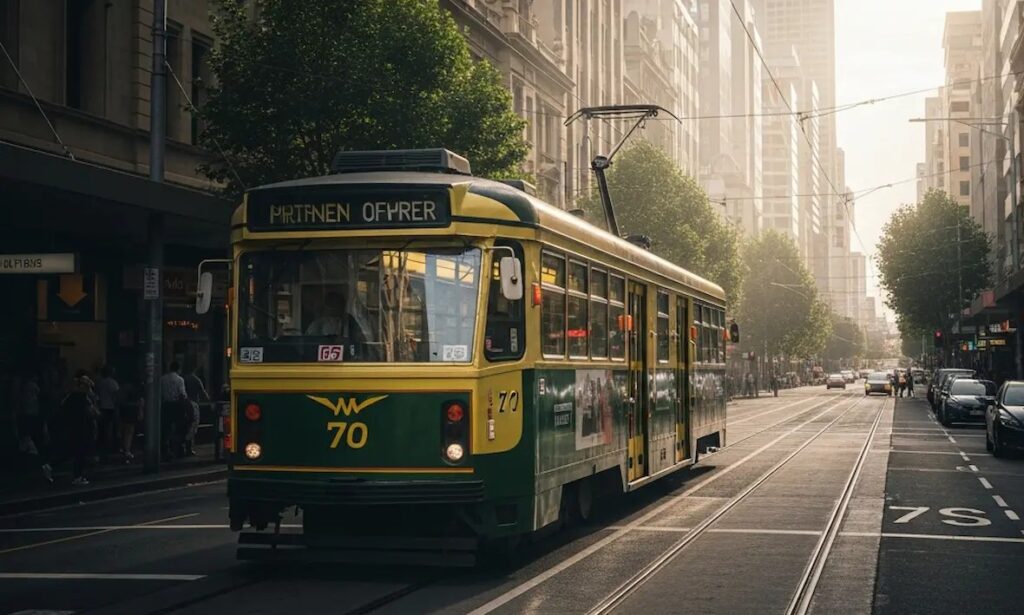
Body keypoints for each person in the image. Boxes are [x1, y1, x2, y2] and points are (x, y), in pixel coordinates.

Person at [61, 372, 98, 485]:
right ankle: (77, 476)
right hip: (82, 426)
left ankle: (77, 474)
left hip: (74, 426)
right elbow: (92, 412)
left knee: (76, 451)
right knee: (80, 452)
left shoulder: (71, 396)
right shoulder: (82, 397)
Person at [160, 362, 189, 459]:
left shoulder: (162, 379)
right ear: (178, 369)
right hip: (176, 405)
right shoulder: (180, 380)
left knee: (165, 427)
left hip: (165, 405)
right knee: (179, 428)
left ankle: (165, 448)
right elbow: (182, 394)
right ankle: (177, 449)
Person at [182, 367, 210, 457]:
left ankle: (183, 447)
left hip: (183, 404)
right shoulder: (196, 379)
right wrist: (209, 401)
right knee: (193, 425)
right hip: (193, 403)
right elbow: (203, 391)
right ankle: (189, 448)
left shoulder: (183, 378)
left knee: (185, 425)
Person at [95, 366, 120, 455]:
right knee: (110, 430)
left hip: (101, 407)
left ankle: (100, 449)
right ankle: (109, 450)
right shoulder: (113, 383)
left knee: (101, 430)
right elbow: (116, 396)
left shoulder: (99, 382)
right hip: (110, 408)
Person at [118, 381, 144, 462]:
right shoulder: (136, 389)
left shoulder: (123, 388)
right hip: (131, 409)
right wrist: (140, 411)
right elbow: (140, 401)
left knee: (124, 430)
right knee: (129, 431)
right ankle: (127, 450)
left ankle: (123, 448)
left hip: (124, 409)